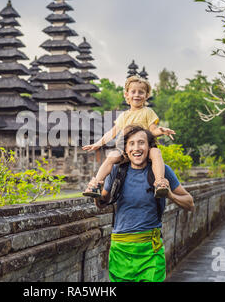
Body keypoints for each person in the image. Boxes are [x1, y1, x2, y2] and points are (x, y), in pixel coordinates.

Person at [91, 125, 194, 282]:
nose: (136, 148)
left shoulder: (161, 171)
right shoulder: (117, 172)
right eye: (131, 143)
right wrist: (96, 193)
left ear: (149, 147)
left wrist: (170, 195)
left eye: (141, 143)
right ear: (125, 148)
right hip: (121, 251)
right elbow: (101, 203)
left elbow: (190, 203)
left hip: (150, 252)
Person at [83, 75, 175, 198]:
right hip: (127, 150)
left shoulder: (148, 112)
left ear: (146, 96)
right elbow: (112, 132)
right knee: (111, 156)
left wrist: (162, 131)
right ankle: (96, 184)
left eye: (141, 92)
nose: (137, 95)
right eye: (133, 92)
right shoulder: (124, 116)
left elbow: (152, 130)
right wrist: (97, 144)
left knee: (156, 152)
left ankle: (160, 183)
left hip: (146, 149)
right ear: (127, 95)